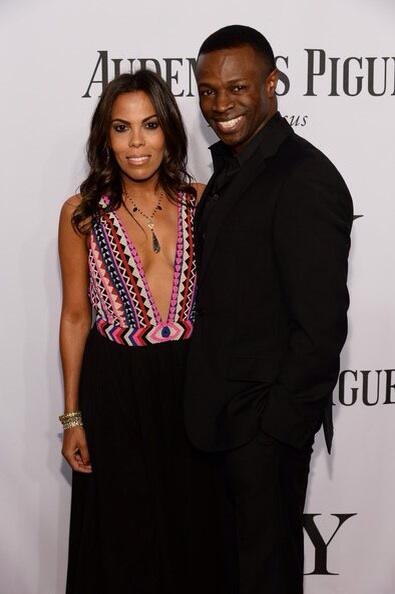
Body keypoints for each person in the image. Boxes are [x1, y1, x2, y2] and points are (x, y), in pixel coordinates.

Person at [184, 25, 353, 594]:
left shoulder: (305, 178)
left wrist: (276, 433)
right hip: (214, 424)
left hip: (261, 435)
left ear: (273, 83)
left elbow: (322, 327)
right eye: (208, 91)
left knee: (265, 578)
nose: (220, 105)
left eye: (237, 88)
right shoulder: (232, 170)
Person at [58, 70, 224, 594]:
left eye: (149, 126)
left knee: (194, 536)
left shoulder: (204, 201)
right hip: (114, 390)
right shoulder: (82, 213)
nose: (136, 143)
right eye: (121, 128)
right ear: (104, 138)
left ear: (169, 131)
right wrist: (71, 417)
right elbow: (75, 316)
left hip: (191, 386)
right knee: (122, 544)